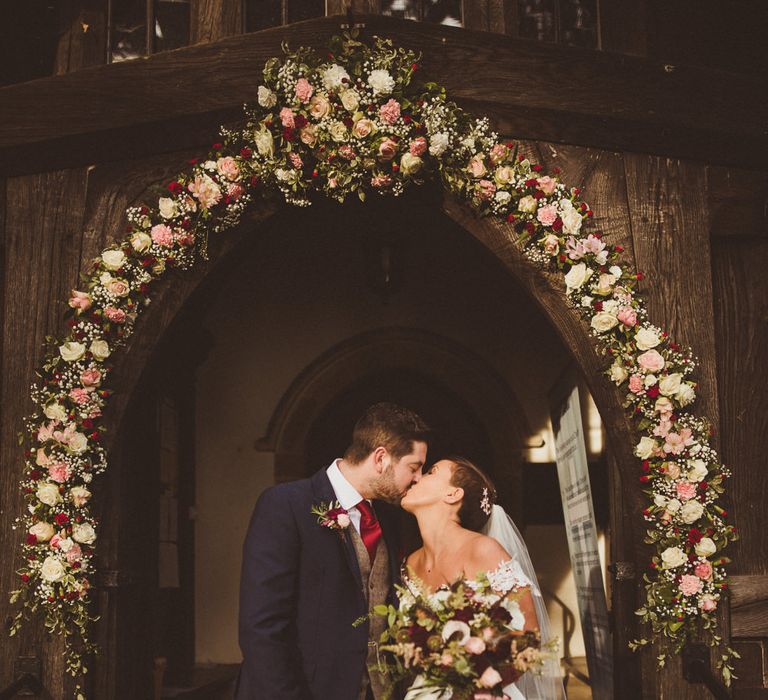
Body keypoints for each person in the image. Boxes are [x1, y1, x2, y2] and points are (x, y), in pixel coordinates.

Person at [235, 402, 431, 700]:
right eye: (414, 468)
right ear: (381, 458)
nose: (418, 479)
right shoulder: (287, 504)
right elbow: (262, 627)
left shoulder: (388, 520)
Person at [400, 456, 565, 699]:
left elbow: (530, 639)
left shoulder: (483, 550)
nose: (417, 476)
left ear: (453, 495)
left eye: (431, 472)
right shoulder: (409, 564)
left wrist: (477, 687)